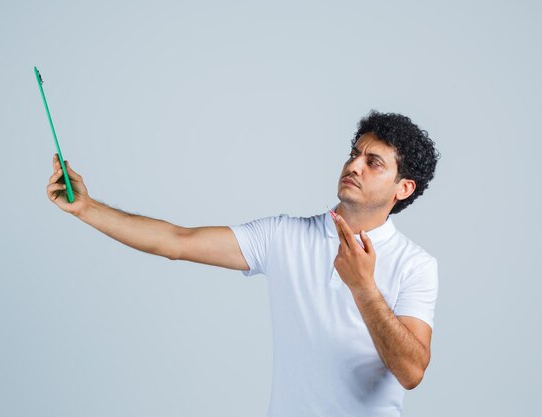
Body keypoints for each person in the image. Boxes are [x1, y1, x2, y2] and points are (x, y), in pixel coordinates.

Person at [45, 109, 441, 417]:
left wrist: (363, 287)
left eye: (374, 163)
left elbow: (411, 372)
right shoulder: (284, 236)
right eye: (355, 154)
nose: (353, 166)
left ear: (402, 188)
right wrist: (87, 209)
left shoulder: (416, 265)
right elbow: (176, 242)